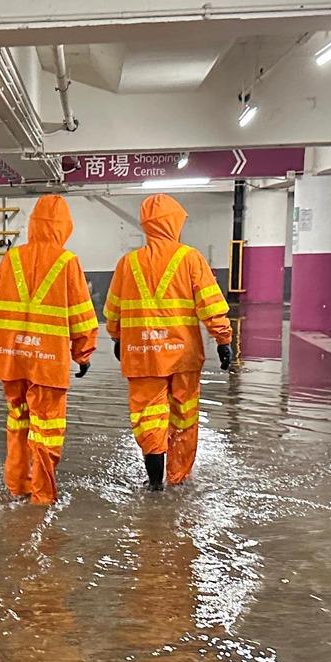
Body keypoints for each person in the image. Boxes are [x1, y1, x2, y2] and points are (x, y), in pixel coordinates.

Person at [0, 194, 98, 504]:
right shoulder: (68, 262)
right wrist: (83, 352)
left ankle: (17, 485)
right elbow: (82, 312)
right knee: (47, 429)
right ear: (64, 227)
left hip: (13, 360)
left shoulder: (12, 258)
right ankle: (42, 496)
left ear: (32, 225)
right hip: (48, 363)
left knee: (18, 423)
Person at [105, 194, 235, 491]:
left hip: (142, 356)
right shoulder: (190, 258)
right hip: (182, 356)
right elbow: (211, 304)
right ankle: (179, 481)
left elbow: (113, 308)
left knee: (148, 417)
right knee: (184, 416)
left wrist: (117, 336)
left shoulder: (128, 263)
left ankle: (154, 483)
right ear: (174, 222)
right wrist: (223, 339)